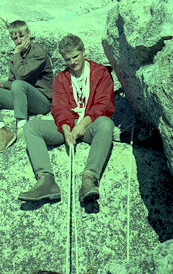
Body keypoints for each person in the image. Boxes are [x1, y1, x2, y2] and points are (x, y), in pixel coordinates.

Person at [19, 34, 114, 203]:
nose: (72, 62)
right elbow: (59, 108)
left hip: (90, 125)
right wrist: (66, 130)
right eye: (67, 59)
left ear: (84, 51)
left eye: (76, 56)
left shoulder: (100, 73)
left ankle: (89, 179)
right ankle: (46, 181)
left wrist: (83, 124)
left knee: (106, 124)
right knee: (31, 127)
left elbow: (103, 104)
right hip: (68, 128)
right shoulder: (61, 78)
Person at [0, 20, 53, 156]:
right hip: (22, 98)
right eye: (14, 38)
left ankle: (21, 127)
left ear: (29, 33)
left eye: (21, 36)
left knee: (19, 85)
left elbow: (21, 76)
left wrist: (16, 54)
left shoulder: (38, 53)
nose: (18, 41)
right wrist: (1, 84)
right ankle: (2, 131)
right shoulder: (18, 54)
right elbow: (13, 81)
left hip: (42, 102)